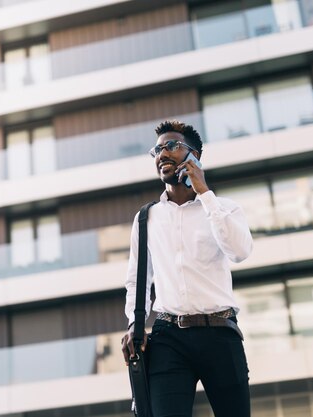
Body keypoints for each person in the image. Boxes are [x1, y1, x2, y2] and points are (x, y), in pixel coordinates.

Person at [121, 120, 254, 417]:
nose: (161, 154)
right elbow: (136, 281)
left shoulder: (225, 209)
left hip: (221, 332)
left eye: (171, 146)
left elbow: (240, 251)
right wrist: (134, 323)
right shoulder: (146, 219)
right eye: (157, 150)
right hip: (169, 337)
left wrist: (204, 193)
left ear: (194, 156)